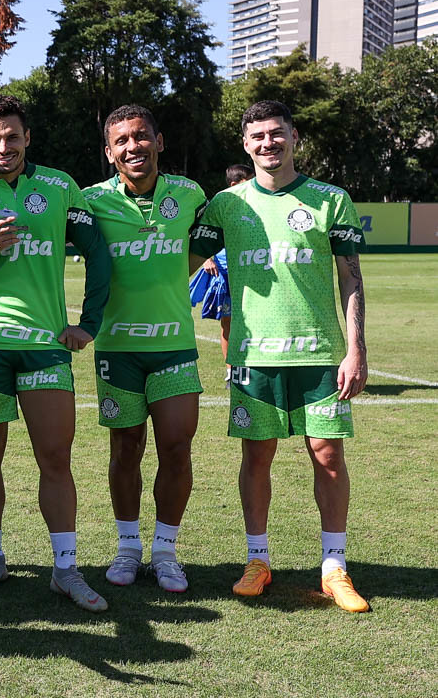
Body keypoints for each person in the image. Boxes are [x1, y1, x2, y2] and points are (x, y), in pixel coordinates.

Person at [0, 94, 112, 612]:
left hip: (44, 347)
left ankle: (65, 569)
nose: (3, 147)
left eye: (12, 137)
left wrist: (89, 324)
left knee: (54, 457)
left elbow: (97, 254)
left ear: (27, 137)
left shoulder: (59, 186)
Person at [188, 100, 369, 612]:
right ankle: (257, 559)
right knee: (257, 456)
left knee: (328, 456)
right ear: (246, 145)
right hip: (253, 353)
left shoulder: (331, 199)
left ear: (294, 136)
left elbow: (350, 278)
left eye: (277, 133)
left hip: (319, 353)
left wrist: (356, 349)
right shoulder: (227, 204)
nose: (269, 143)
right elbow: (180, 261)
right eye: (258, 136)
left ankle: (334, 566)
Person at [83, 105, 206, 593]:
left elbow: (204, 244)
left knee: (177, 448)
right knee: (125, 448)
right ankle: (129, 547)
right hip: (117, 350)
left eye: (141, 136)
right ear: (109, 152)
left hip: (174, 347)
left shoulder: (191, 194)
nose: (132, 146)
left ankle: (166, 551)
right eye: (122, 141)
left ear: (159, 141)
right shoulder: (91, 200)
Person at [189, 163, 251, 364]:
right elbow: (199, 234)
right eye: (248, 182)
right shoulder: (219, 205)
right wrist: (208, 259)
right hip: (223, 273)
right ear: (234, 184)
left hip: (248, 272)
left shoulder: (256, 205)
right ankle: (230, 369)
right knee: (228, 323)